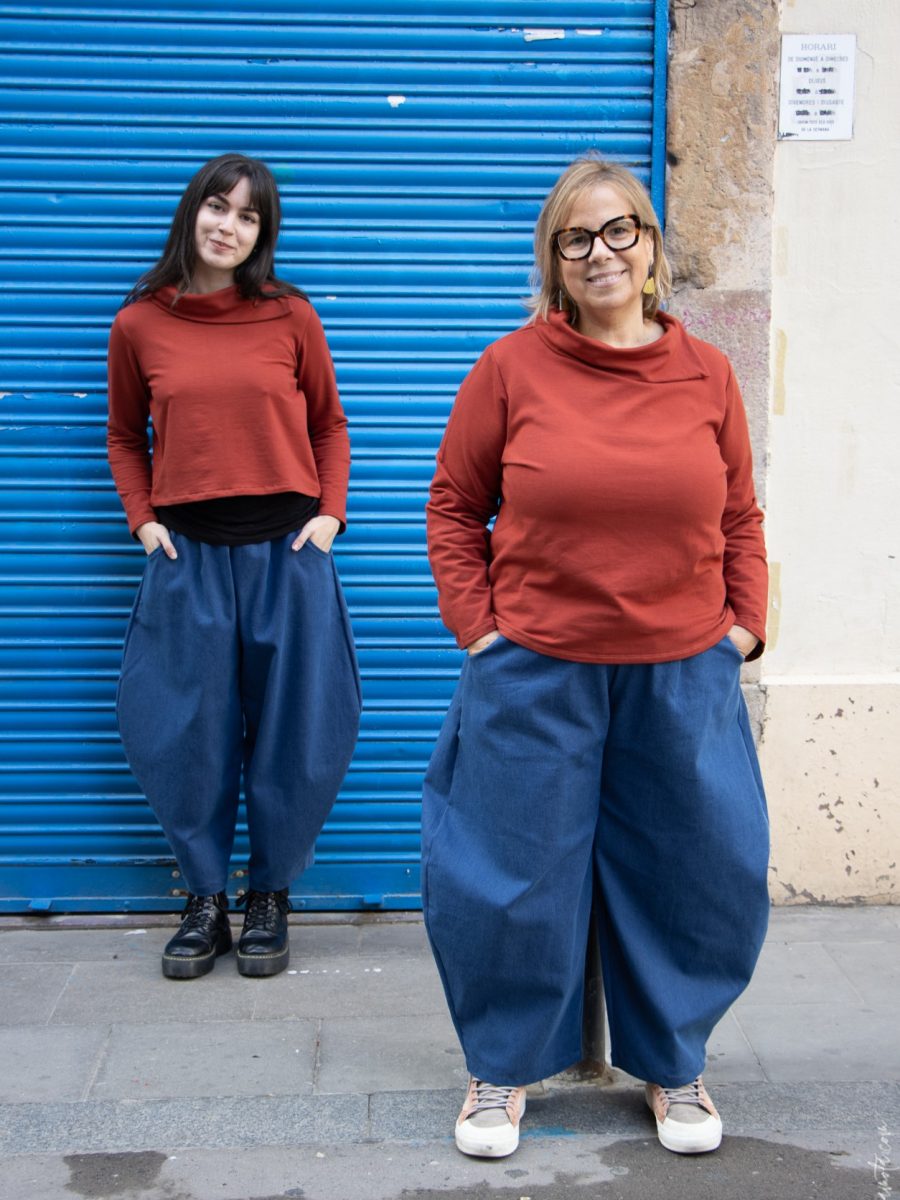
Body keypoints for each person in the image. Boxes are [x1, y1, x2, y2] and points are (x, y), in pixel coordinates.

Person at [421, 155, 769, 1158]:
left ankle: (674, 1067)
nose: (602, 251)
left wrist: (742, 624)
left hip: (681, 670)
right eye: (577, 238)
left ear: (653, 246)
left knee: (696, 870)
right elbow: (453, 506)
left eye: (620, 230)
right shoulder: (510, 369)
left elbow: (740, 511)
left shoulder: (706, 373)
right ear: (555, 261)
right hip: (538, 667)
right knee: (508, 873)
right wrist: (481, 629)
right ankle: (501, 1069)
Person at [107, 153, 361, 981]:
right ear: (193, 213)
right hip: (187, 558)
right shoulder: (140, 323)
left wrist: (329, 516)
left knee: (301, 731)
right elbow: (122, 436)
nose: (229, 226)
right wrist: (144, 523)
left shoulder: (290, 316)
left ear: (263, 233)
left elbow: (329, 424)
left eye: (248, 216)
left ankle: (270, 894)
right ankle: (205, 897)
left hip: (288, 555)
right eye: (219, 207)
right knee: (184, 733)